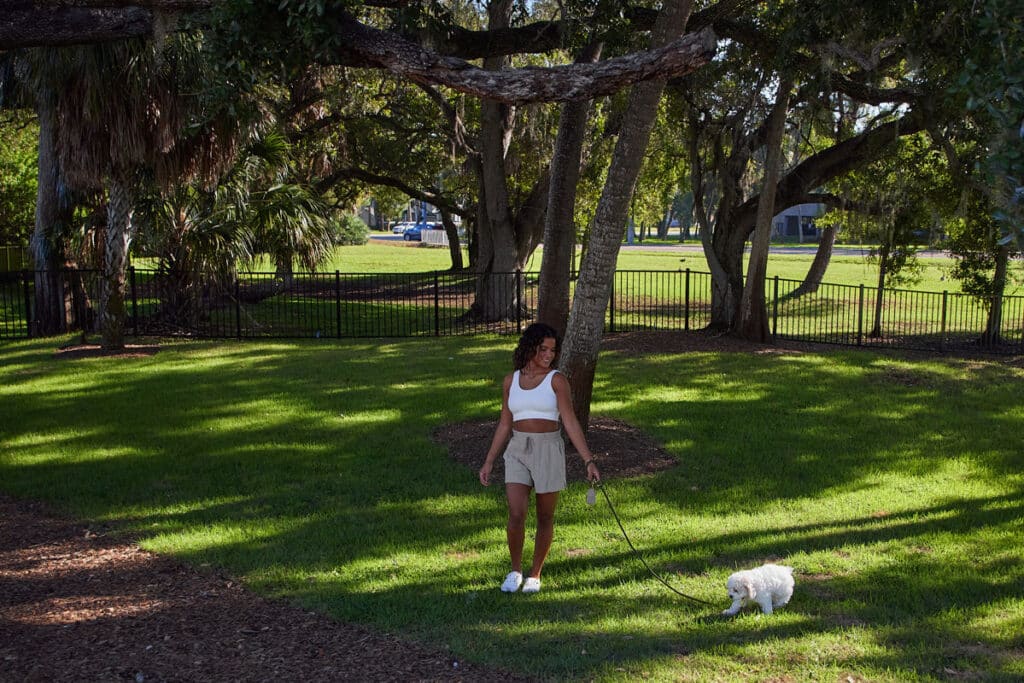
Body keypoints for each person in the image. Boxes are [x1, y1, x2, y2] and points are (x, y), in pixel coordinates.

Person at [479, 322, 601, 594]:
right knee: (516, 512)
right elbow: (504, 423)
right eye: (543, 349)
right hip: (518, 448)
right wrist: (489, 460)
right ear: (530, 347)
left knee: (545, 516)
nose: (548, 355)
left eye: (552, 350)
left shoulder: (557, 380)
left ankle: (535, 574)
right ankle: (515, 571)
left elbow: (569, 421)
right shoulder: (511, 381)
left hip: (548, 448)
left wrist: (588, 460)